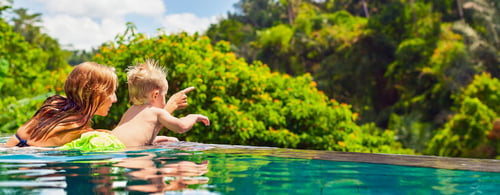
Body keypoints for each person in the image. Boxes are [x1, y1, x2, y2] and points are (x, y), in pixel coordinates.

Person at [4, 62, 194, 147]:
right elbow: (119, 143)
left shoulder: (55, 106)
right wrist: (168, 109)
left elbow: (17, 140)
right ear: (96, 94)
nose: (115, 99)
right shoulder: (77, 128)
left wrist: (153, 139)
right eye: (111, 93)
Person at [111, 59, 210, 147]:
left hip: (112, 143)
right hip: (128, 152)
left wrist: (156, 138)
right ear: (155, 95)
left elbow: (133, 136)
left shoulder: (131, 110)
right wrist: (193, 117)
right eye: (164, 96)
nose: (165, 100)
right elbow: (181, 127)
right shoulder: (157, 112)